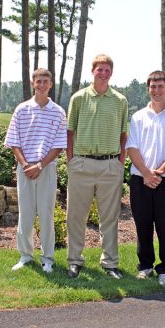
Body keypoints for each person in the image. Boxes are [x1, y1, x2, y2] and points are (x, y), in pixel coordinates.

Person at [66, 54, 128, 279]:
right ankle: (74, 260)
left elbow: (123, 135)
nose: (103, 73)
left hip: (110, 165)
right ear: (92, 71)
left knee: (109, 217)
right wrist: (71, 160)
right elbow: (69, 132)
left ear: (111, 73)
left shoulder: (120, 100)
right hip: (81, 163)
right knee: (75, 216)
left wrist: (120, 162)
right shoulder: (79, 98)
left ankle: (110, 263)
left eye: (107, 70)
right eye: (99, 69)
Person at [126, 71, 165, 286]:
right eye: (152, 86)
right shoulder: (138, 117)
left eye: (160, 86)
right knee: (142, 225)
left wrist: (157, 174)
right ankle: (145, 266)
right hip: (140, 179)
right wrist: (146, 173)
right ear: (148, 89)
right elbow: (131, 148)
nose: (156, 90)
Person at [4, 68, 67, 273]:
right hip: (25, 168)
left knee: (47, 214)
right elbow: (14, 141)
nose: (41, 84)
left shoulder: (58, 112)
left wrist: (39, 165)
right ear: (33, 83)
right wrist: (25, 165)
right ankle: (25, 256)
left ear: (50, 84)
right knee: (26, 213)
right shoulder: (22, 109)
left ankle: (47, 258)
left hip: (46, 169)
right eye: (38, 81)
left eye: (45, 81)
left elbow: (59, 145)